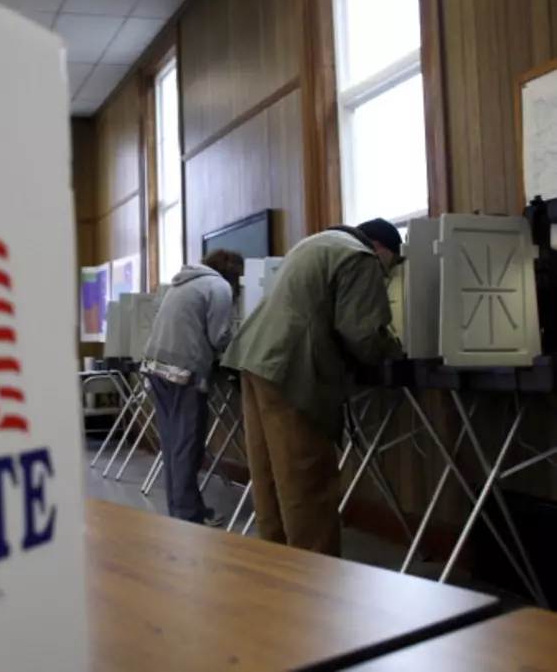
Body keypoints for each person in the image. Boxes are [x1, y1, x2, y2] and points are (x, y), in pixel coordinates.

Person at [221, 219, 403, 556]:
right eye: (391, 265)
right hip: (291, 371)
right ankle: (315, 586)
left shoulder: (316, 243)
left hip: (254, 361)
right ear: (380, 248)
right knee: (307, 485)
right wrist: (396, 348)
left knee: (271, 483)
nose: (388, 276)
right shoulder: (361, 257)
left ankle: (276, 577)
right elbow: (362, 335)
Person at [142, 249, 244, 526]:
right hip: (183, 371)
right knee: (188, 445)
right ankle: (188, 517)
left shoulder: (183, 282)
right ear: (234, 274)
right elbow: (219, 335)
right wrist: (239, 350)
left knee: (173, 444)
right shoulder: (219, 287)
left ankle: (182, 509)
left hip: (154, 366)